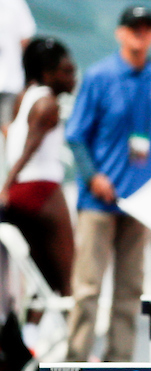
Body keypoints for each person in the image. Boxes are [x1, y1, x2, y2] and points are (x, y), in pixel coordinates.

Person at [63, 5, 151, 363]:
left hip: (138, 200)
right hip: (98, 202)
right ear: (120, 33)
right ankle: (76, 366)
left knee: (130, 287)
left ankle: (119, 362)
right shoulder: (99, 76)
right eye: (133, 27)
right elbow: (76, 134)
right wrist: (92, 175)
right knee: (88, 287)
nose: (140, 33)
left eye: (146, 28)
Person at [2, 37, 77, 298]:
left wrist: (10, 189)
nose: (73, 78)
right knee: (69, 274)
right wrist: (6, 184)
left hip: (21, 193)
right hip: (41, 189)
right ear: (48, 73)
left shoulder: (23, 98)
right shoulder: (48, 105)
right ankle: (74, 339)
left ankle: (31, 333)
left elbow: (13, 137)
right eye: (67, 72)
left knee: (46, 272)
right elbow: (29, 148)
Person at [0, 0, 36, 136]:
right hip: (11, 77)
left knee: (7, 126)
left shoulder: (15, 3)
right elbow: (26, 38)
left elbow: (26, 39)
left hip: (10, 78)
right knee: (7, 126)